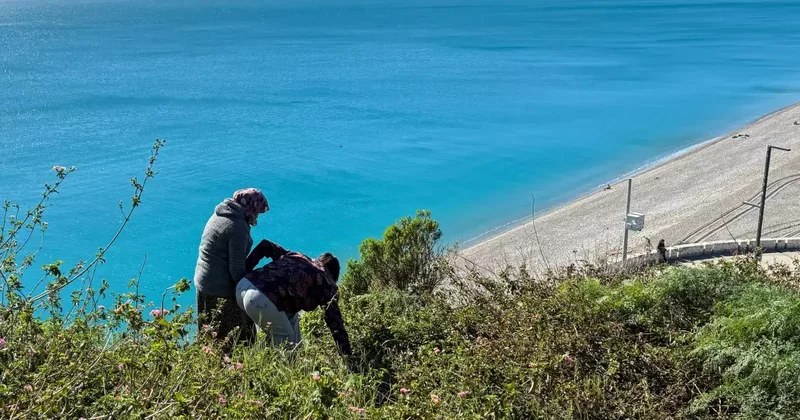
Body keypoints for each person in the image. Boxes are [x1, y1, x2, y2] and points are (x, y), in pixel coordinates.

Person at [236, 241, 352, 357]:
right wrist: (347, 356)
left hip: (243, 287)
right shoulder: (328, 284)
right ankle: (271, 371)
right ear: (334, 275)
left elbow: (265, 245)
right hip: (262, 300)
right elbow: (336, 325)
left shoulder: (297, 256)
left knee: (292, 324)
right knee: (289, 350)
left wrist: (245, 270)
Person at [194, 188, 268, 348]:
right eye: (257, 212)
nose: (257, 217)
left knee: (211, 336)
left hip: (204, 284)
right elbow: (236, 270)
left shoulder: (219, 215)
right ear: (251, 207)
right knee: (238, 339)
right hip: (220, 289)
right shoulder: (238, 227)